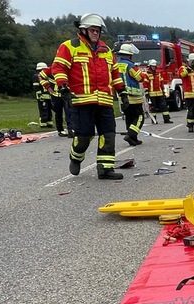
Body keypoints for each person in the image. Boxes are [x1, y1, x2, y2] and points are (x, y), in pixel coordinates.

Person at [52, 13, 127, 180]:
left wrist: (122, 92)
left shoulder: (107, 50)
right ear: (83, 30)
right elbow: (58, 68)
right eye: (93, 30)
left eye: (98, 31)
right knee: (84, 136)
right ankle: (76, 157)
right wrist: (63, 86)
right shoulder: (70, 46)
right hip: (81, 101)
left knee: (108, 135)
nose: (96, 33)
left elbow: (115, 74)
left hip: (105, 101)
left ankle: (105, 169)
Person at [115, 43, 149, 146]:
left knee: (129, 117)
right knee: (139, 117)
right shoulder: (130, 65)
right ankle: (131, 135)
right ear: (130, 55)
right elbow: (139, 77)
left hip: (122, 96)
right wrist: (144, 74)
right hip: (133, 97)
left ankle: (133, 139)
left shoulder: (117, 64)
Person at [39, 62, 74, 137]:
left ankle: (71, 129)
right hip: (55, 95)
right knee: (58, 113)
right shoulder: (49, 70)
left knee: (69, 112)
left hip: (66, 95)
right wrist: (48, 87)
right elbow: (40, 77)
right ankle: (60, 130)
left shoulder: (67, 70)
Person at [145, 59, 172, 124]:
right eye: (152, 66)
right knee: (153, 108)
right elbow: (145, 84)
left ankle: (167, 119)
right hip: (152, 94)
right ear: (150, 66)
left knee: (164, 106)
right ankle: (154, 120)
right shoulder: (147, 74)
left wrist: (163, 91)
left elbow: (161, 83)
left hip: (159, 93)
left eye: (154, 66)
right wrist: (146, 93)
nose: (154, 67)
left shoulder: (158, 73)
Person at [33, 62, 53, 129]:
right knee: (43, 109)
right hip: (41, 97)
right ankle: (43, 123)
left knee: (49, 109)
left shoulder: (47, 76)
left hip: (48, 96)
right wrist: (39, 95)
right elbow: (36, 87)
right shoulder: (36, 76)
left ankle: (49, 122)